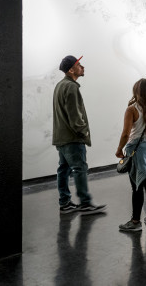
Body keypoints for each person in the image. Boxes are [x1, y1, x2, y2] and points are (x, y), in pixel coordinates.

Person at [52, 55, 106, 215]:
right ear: (71, 69)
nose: (83, 67)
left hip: (61, 138)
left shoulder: (60, 85)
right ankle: (85, 203)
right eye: (79, 65)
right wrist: (83, 133)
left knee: (63, 169)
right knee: (80, 168)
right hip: (72, 138)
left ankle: (65, 203)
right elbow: (75, 117)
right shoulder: (71, 87)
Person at [114, 79, 146, 232]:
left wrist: (119, 149)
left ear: (136, 91)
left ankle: (135, 221)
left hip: (138, 149)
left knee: (137, 186)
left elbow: (125, 134)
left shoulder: (132, 109)